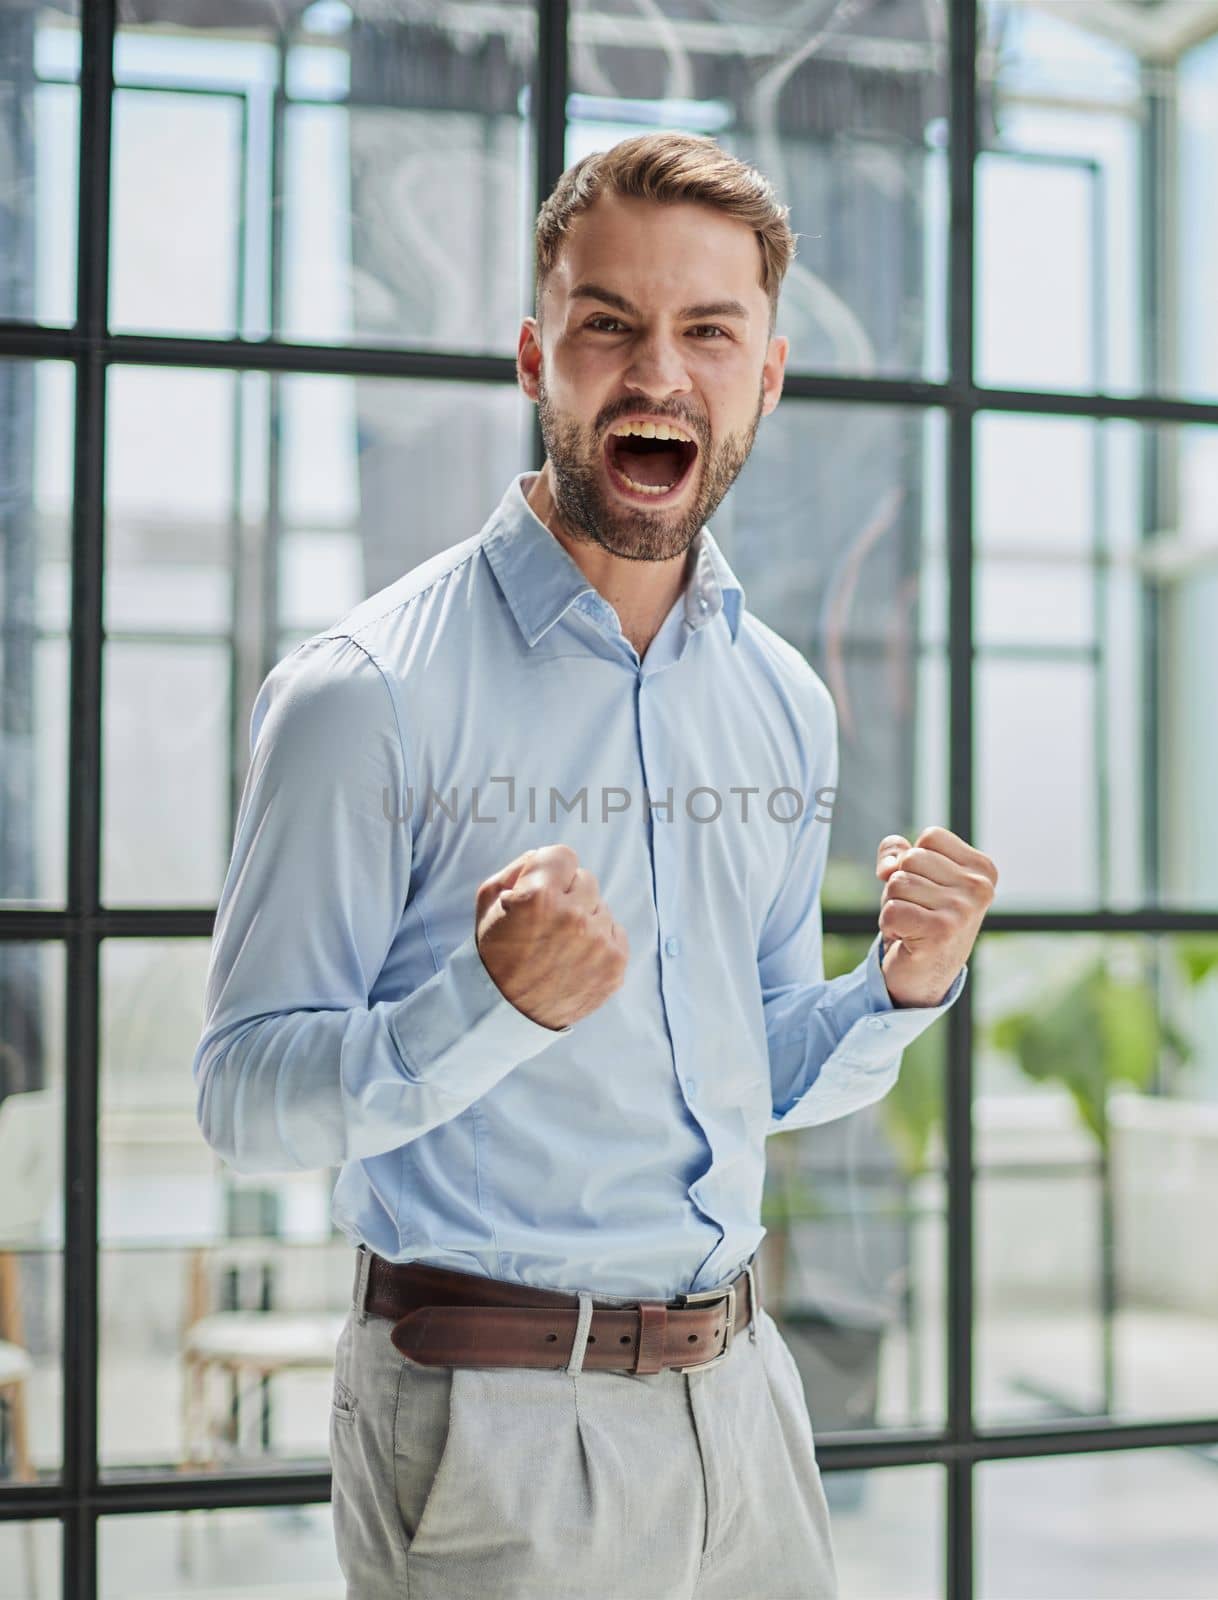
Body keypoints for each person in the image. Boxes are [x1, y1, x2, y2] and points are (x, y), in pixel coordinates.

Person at [192, 131, 996, 1600]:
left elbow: (748, 1059)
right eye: (607, 324)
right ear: (532, 357)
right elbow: (241, 1100)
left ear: (765, 376)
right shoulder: (364, 692)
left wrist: (893, 987)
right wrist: (485, 1004)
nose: (656, 372)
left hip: (743, 1398)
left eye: (707, 330)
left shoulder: (776, 698)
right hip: (493, 1416)